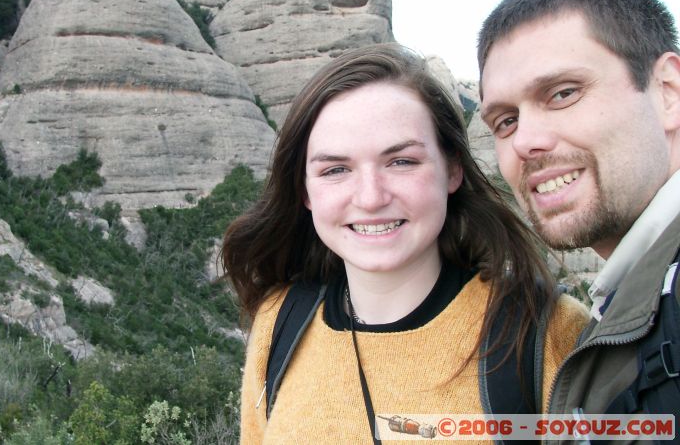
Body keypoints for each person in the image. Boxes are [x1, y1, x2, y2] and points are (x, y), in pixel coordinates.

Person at [223, 43, 588, 443]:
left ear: (452, 170)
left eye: (401, 162)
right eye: (336, 169)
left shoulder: (549, 332)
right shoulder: (280, 323)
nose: (371, 197)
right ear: (305, 191)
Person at [478, 0, 680, 420]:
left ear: (668, 92)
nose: (525, 141)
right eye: (505, 120)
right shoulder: (638, 296)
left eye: (563, 93)